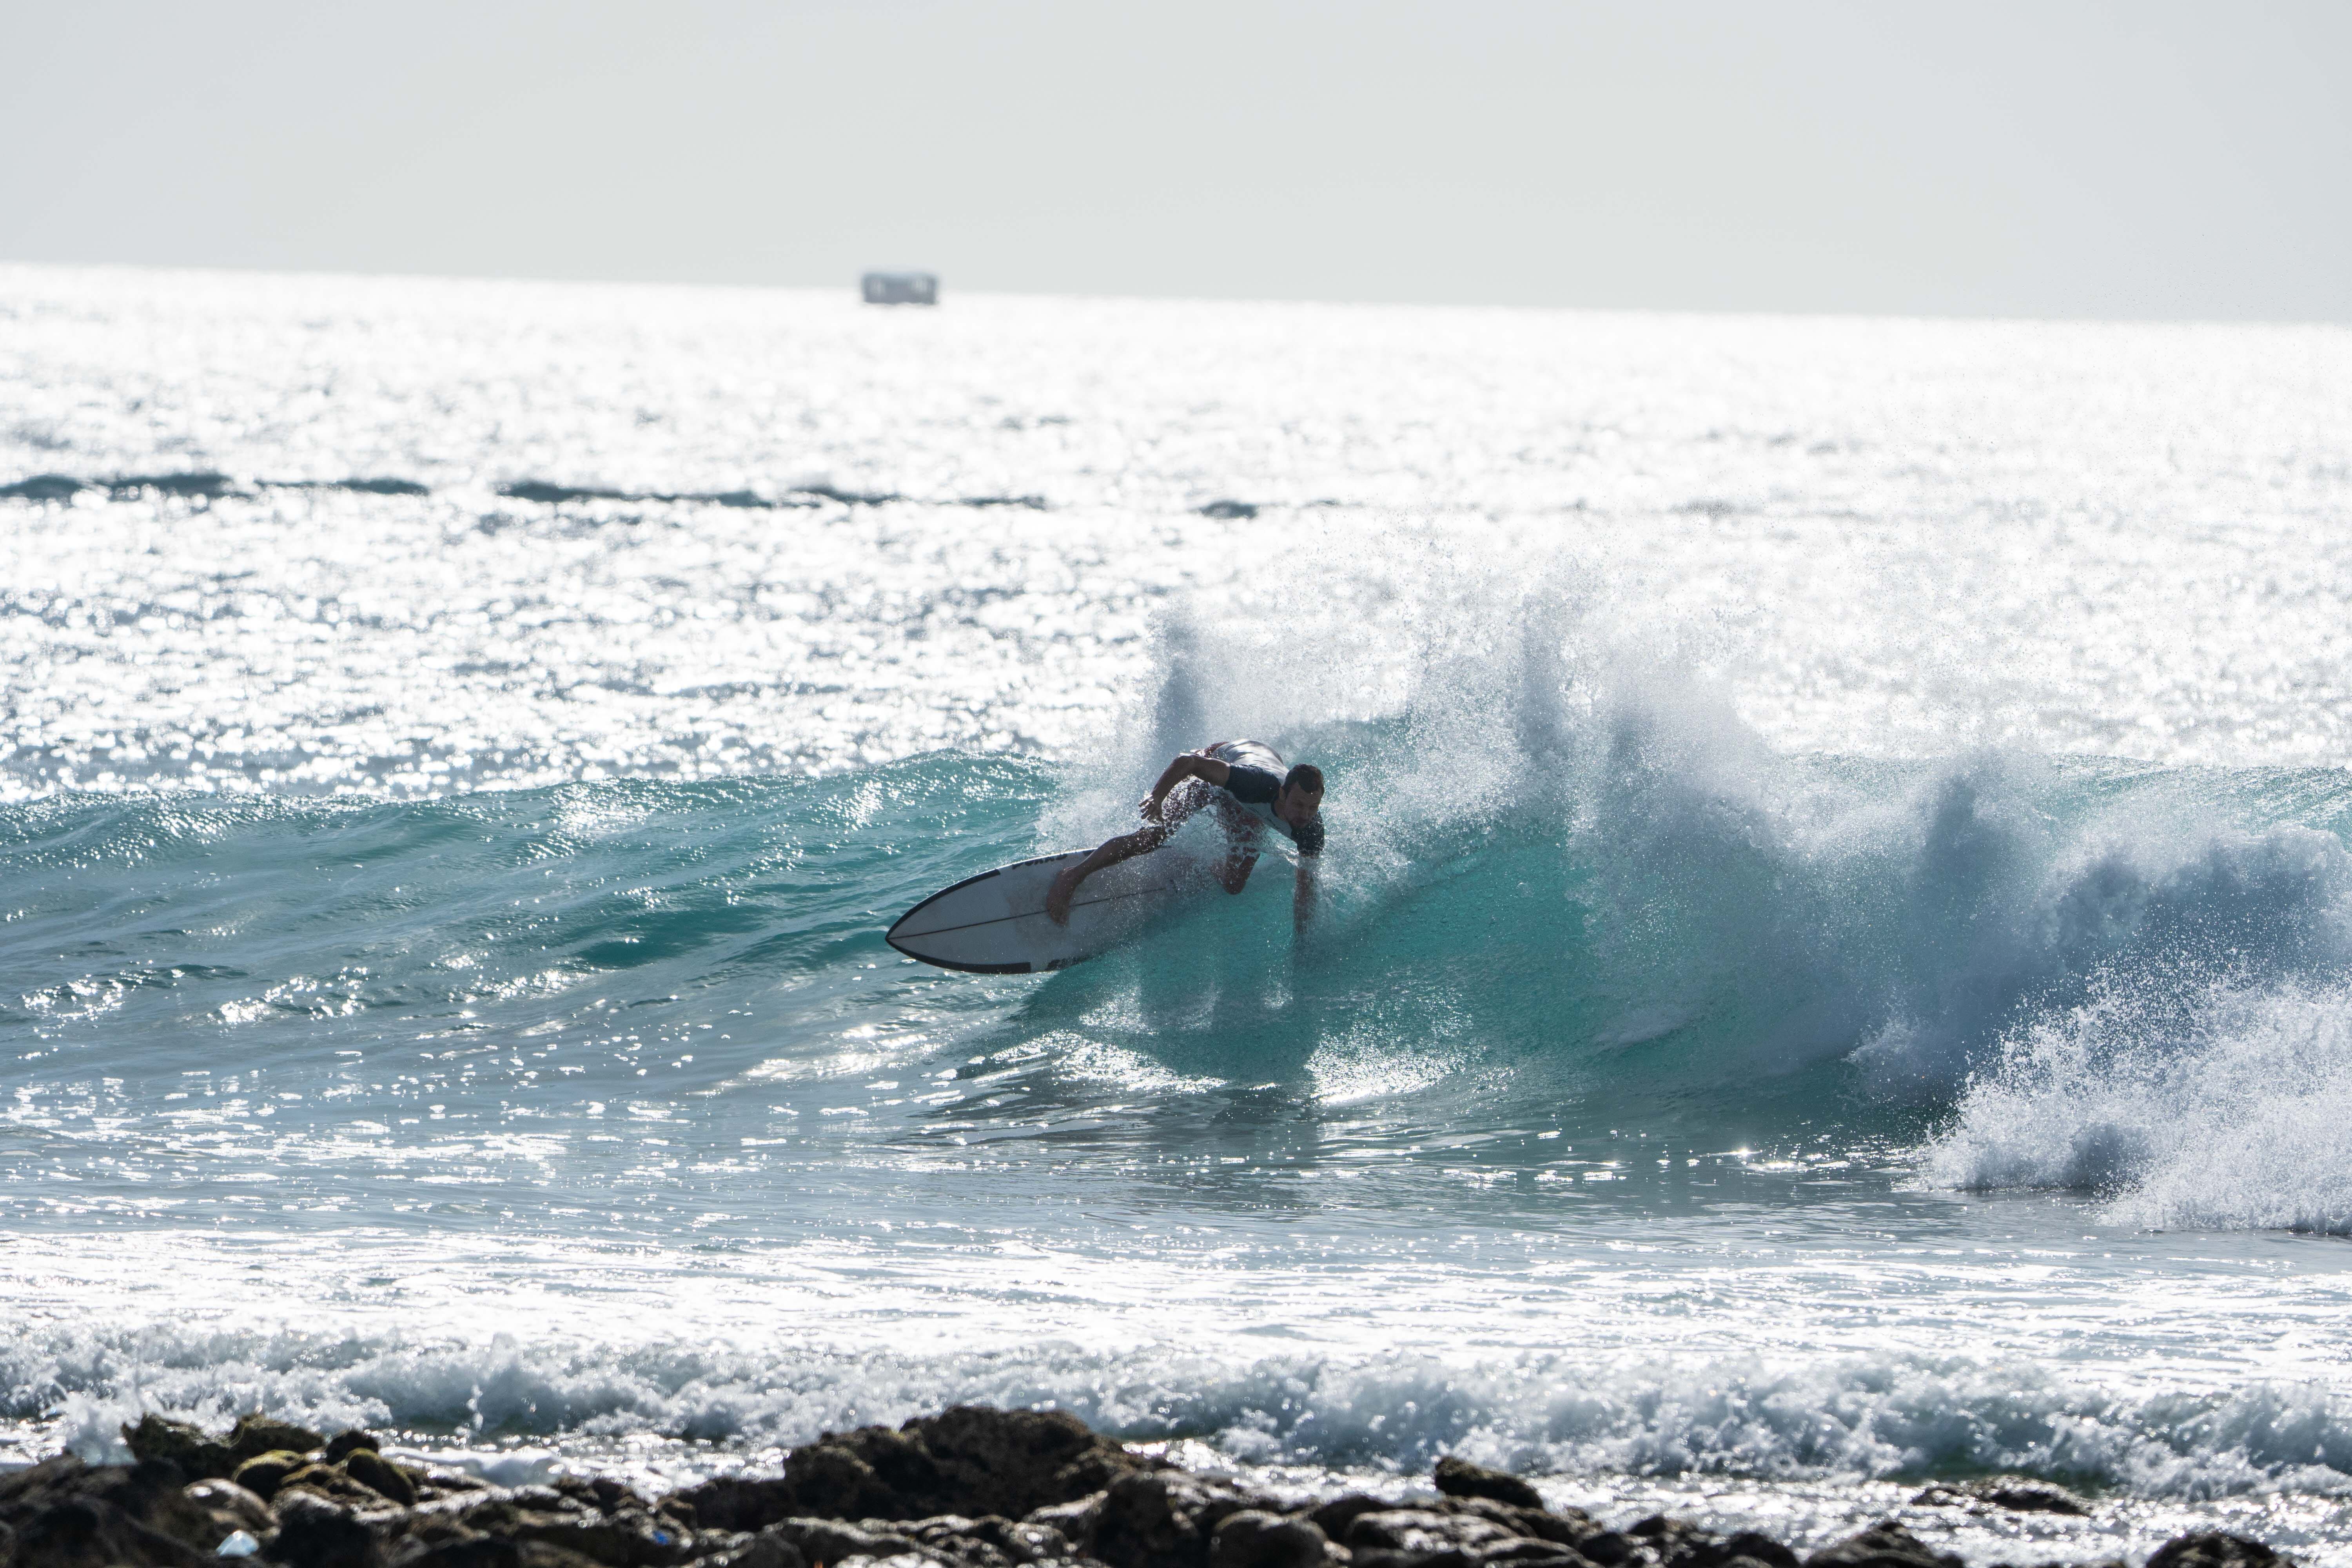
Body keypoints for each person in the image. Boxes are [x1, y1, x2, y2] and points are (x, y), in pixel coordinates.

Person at [1045, 740, 1324, 930]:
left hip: (1253, 793)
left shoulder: (1310, 830)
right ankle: (1073, 876)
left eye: (1313, 808)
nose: (1304, 814)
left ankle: (1192, 861)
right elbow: (1188, 762)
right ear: (1283, 794)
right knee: (1151, 838)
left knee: (1234, 884)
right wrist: (1157, 797)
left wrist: (1304, 940)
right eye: (1298, 805)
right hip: (1217, 761)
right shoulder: (1252, 783)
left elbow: (1305, 891)